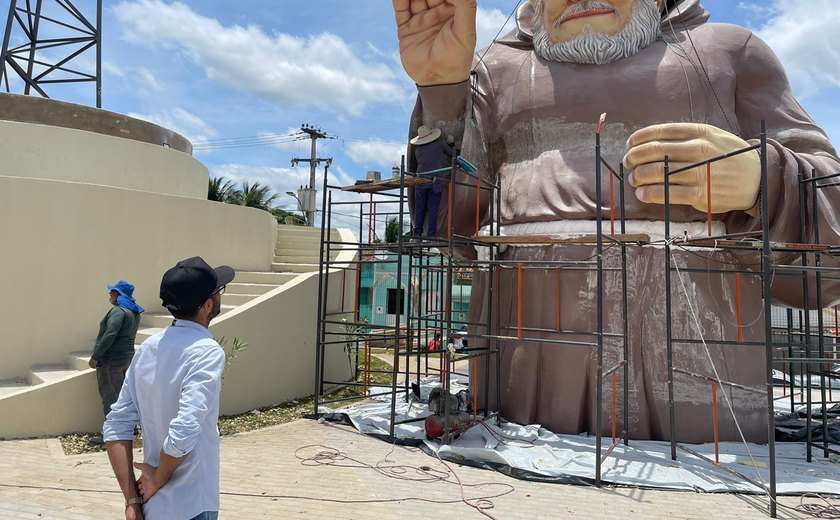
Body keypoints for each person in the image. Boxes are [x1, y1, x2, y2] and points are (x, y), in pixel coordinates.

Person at [392, 0, 840, 442]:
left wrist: (761, 179)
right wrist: (442, 92)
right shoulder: (495, 70)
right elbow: (450, 226)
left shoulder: (728, 52)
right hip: (517, 382)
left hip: (703, 383)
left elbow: (831, 224)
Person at [103, 256, 234, 520]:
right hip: (193, 504)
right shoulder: (206, 352)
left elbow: (116, 424)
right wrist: (157, 479)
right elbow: (184, 430)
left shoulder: (149, 348)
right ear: (208, 305)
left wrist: (131, 501)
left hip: (153, 508)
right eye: (218, 291)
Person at [88, 280, 144, 445]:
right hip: (127, 359)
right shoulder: (134, 312)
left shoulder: (118, 312)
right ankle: (131, 428)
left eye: (112, 292)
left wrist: (96, 356)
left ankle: (111, 436)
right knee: (124, 396)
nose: (110, 295)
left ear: (119, 295)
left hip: (111, 360)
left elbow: (110, 334)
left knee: (110, 397)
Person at [410, 125, 453, 239]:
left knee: (420, 208)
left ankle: (417, 233)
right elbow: (453, 155)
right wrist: (451, 144)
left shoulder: (418, 150)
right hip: (435, 180)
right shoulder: (440, 144)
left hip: (420, 180)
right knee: (434, 208)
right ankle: (431, 234)